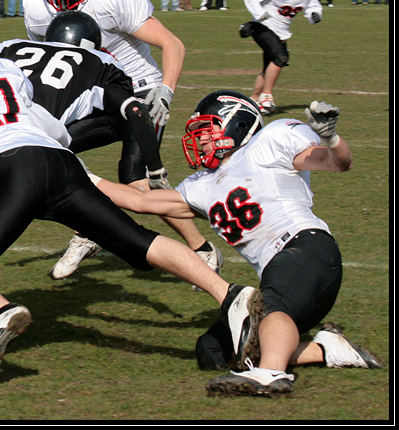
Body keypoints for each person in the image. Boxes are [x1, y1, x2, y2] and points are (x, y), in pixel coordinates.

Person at [0, 28, 264, 379]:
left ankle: (3, 312)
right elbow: (50, 126)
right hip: (61, 162)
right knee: (139, 239)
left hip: (13, 170)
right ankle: (229, 293)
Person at [0, 12, 191, 325]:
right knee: (130, 208)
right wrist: (149, 171)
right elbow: (128, 114)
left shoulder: (6, 51)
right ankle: (200, 245)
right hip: (36, 150)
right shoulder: (96, 64)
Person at [92, 91, 382, 396]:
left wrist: (332, 138)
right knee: (212, 350)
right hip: (278, 273)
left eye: (207, 129)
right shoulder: (202, 184)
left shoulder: (268, 144)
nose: (200, 140)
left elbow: (339, 163)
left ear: (238, 124)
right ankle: (326, 349)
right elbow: (138, 200)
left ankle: (271, 374)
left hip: (306, 250)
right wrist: (77, 173)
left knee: (268, 309)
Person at [22, 0, 212, 279]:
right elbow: (49, 60)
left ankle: (202, 249)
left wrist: (165, 90)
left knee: (136, 177)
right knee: (49, 154)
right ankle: (89, 229)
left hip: (141, 91)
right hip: (95, 94)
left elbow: (173, 43)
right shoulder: (35, 3)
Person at [239, 0, 324, 115]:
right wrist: (258, 14)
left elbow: (312, 1)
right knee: (281, 57)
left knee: (268, 67)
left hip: (281, 30)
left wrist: (315, 13)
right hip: (264, 24)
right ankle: (267, 96)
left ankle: (254, 100)